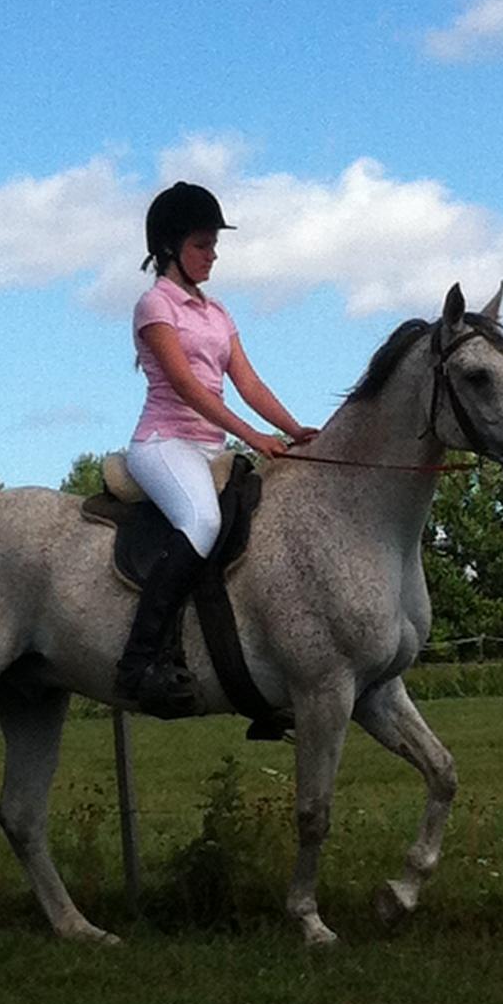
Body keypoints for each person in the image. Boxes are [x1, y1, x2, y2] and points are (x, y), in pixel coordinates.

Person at [113, 181, 316, 717]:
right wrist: (252, 437)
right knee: (201, 522)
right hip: (164, 443)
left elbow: (248, 383)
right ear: (170, 249)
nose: (213, 255)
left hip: (209, 448)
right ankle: (139, 662)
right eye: (202, 245)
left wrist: (297, 431)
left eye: (213, 245)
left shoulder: (218, 313)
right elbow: (187, 387)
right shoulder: (155, 305)